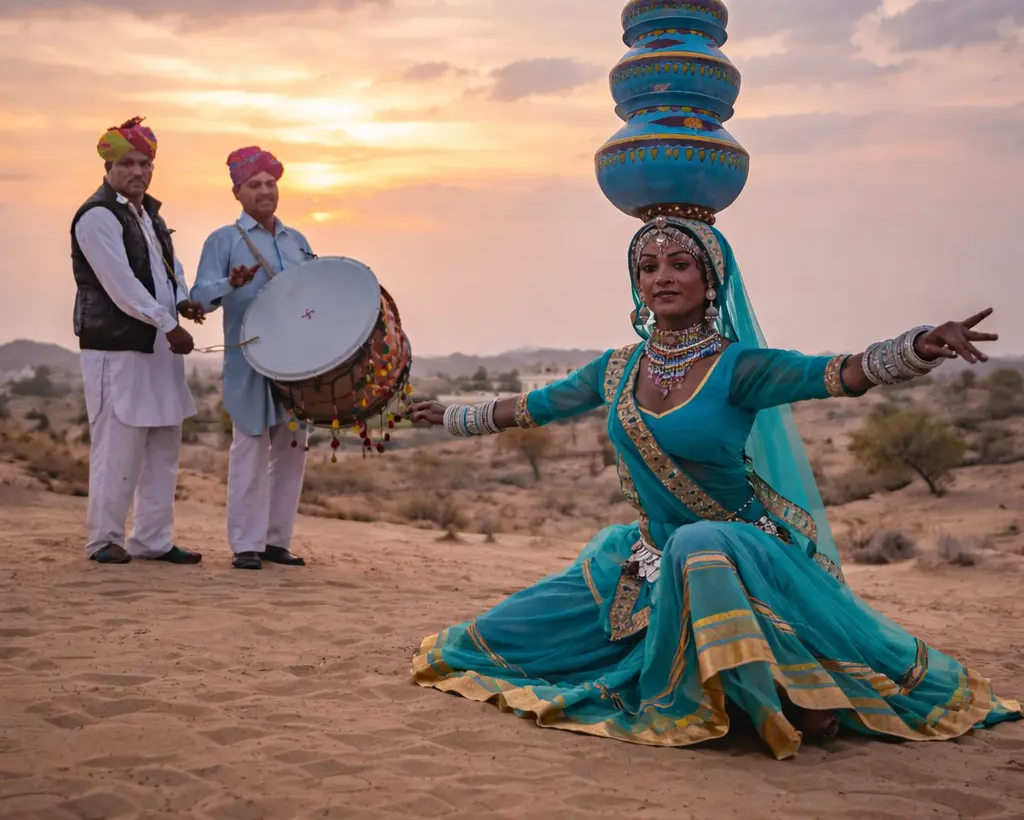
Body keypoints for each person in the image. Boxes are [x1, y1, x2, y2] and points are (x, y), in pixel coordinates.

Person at [405, 214, 1022, 758]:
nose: (661, 277)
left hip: (738, 554)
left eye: (679, 264)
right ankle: (769, 690)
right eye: (647, 267)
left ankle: (773, 693)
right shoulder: (617, 368)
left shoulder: (741, 368)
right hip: (647, 559)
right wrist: (453, 415)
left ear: (711, 280)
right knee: (489, 641)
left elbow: (837, 373)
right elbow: (536, 406)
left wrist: (916, 347)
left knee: (699, 543)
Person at [72, 116, 205, 565]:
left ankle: (152, 540)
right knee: (117, 448)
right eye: (128, 163)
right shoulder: (97, 217)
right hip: (118, 350)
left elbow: (172, 269)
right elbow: (121, 284)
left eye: (145, 163)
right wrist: (166, 323)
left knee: (163, 446)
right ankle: (104, 539)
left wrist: (183, 302)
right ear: (109, 166)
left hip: (159, 351)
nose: (138, 172)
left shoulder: (150, 214)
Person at [191, 147, 315, 570]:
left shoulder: (296, 240)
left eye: (270, 184)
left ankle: (276, 541)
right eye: (254, 185)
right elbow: (198, 299)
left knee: (293, 447)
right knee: (250, 446)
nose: (265, 192)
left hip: (297, 361)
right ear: (237, 192)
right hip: (249, 360)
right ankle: (246, 544)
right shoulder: (222, 240)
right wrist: (231, 281)